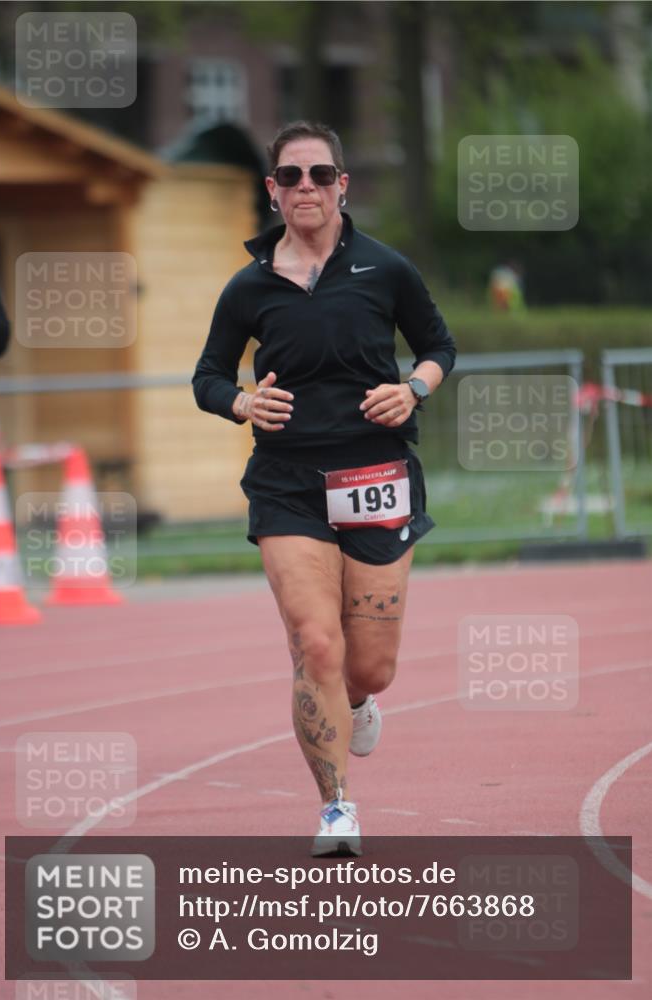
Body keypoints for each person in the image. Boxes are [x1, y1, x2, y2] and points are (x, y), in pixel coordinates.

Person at [192, 121, 456, 857]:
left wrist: (412, 389)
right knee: (315, 643)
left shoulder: (386, 269)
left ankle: (361, 701)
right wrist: (240, 402)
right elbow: (207, 376)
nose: (303, 187)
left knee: (367, 666)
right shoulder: (248, 287)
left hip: (376, 475)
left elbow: (438, 346)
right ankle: (336, 807)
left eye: (317, 174)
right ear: (272, 192)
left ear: (343, 184)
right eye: (288, 176)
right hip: (286, 483)